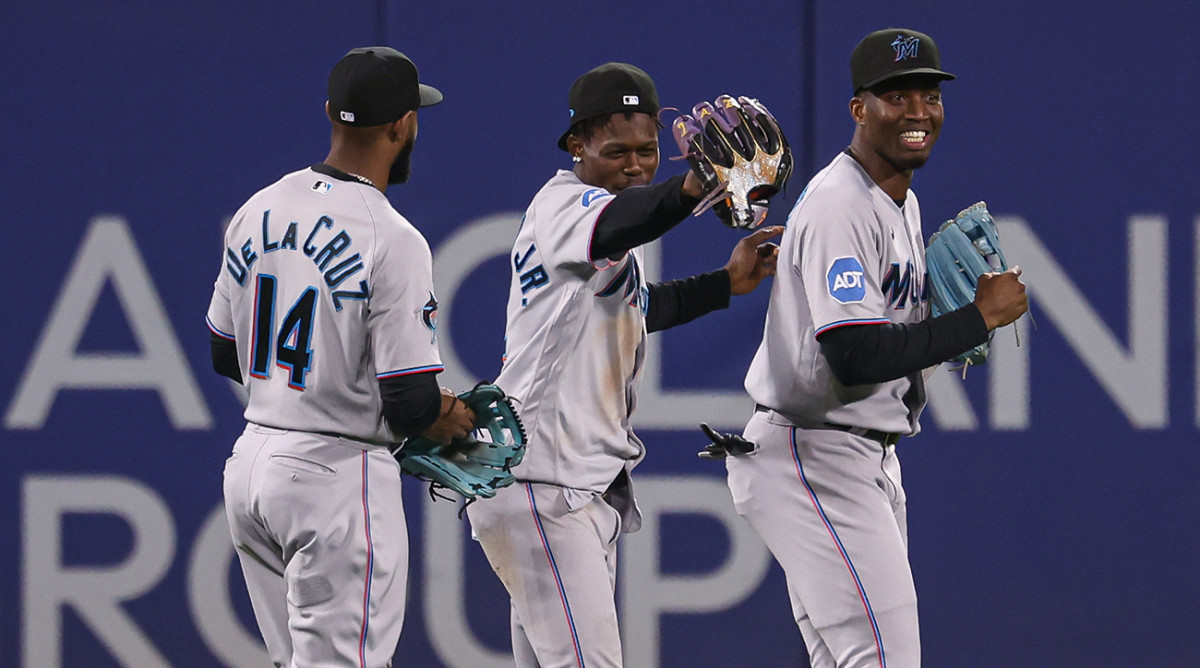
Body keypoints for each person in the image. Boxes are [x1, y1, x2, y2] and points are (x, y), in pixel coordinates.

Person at [721, 28, 1028, 668]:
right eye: (896, 96)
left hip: (852, 454)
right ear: (859, 109)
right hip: (814, 452)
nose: (917, 111)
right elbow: (855, 358)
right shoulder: (841, 205)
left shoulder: (898, 202)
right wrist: (975, 318)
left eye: (929, 95)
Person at [465, 62, 784, 667]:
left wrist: (725, 284)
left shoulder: (597, 235)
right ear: (576, 146)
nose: (635, 165)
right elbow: (628, 215)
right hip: (545, 483)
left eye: (646, 150)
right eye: (616, 151)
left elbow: (636, 309)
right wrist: (691, 187)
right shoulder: (566, 207)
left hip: (555, 485)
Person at [205, 46, 476, 667]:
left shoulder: (258, 208)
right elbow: (409, 401)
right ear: (402, 125)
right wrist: (450, 415)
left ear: (331, 112)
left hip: (252, 471)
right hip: (333, 478)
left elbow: (226, 354)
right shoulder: (392, 236)